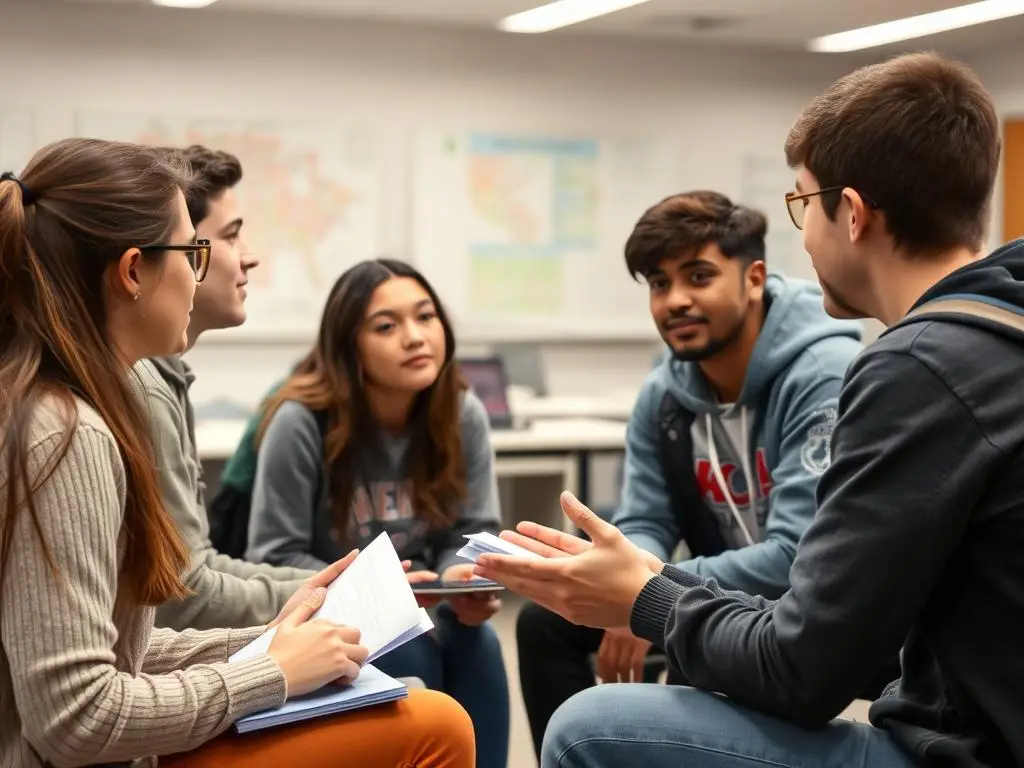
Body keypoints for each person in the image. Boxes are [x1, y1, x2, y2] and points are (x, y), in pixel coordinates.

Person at [475, 51, 1024, 768]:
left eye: (802, 205)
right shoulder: (996, 325)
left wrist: (649, 598)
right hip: (974, 693)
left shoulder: (917, 368)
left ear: (851, 214)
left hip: (971, 748)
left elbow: (802, 673)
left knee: (590, 725)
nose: (803, 234)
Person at [0, 139, 475, 767]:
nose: (202, 273)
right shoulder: (69, 434)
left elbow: (122, 652)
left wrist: (272, 641)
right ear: (134, 271)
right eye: (194, 252)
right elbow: (76, 717)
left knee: (412, 700)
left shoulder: (62, 403)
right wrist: (269, 672)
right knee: (434, 725)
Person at [515, 190, 863, 757]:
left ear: (753, 277)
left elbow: (795, 556)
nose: (675, 300)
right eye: (659, 283)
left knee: (679, 663)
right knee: (543, 624)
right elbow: (645, 518)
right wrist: (628, 577)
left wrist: (642, 590)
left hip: (805, 609)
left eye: (698, 277)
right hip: (717, 597)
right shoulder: (665, 392)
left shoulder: (821, 375)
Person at [246, 257, 510, 768]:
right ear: (350, 348)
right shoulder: (300, 422)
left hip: (429, 606)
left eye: (426, 317)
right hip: (336, 618)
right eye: (387, 326)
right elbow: (273, 554)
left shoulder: (461, 413)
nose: (414, 337)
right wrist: (376, 591)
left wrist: (464, 576)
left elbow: (473, 528)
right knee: (405, 653)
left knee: (479, 644)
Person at [127, 145, 337, 633]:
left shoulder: (165, 377)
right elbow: (180, 597)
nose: (250, 256)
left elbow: (197, 567)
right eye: (231, 235)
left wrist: (333, 582)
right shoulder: (143, 388)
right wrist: (332, 592)